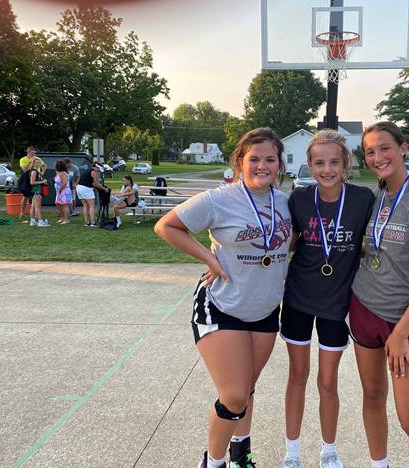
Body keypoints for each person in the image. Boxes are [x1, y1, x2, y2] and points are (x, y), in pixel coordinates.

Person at [154, 128, 292, 468]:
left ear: (279, 164)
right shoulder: (219, 198)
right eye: (254, 159)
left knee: (246, 390)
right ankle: (213, 463)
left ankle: (240, 456)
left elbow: (296, 242)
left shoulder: (286, 202)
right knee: (233, 396)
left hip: (264, 309)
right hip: (221, 305)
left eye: (270, 159)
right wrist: (209, 258)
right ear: (240, 162)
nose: (262, 165)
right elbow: (167, 226)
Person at [349, 122, 409, 468]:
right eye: (371, 151)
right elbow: (371, 248)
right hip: (363, 309)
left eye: (385, 148)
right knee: (373, 396)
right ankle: (380, 464)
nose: (378, 157)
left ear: (403, 148)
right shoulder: (372, 195)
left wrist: (402, 331)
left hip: (404, 322)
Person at [281, 130, 374, 468]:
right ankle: (292, 453)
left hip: (337, 304)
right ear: (310, 165)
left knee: (328, 381)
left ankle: (328, 452)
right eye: (319, 163)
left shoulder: (363, 199)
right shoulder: (299, 199)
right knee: (297, 375)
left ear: (346, 164)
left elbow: (374, 241)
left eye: (335, 162)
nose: (327, 169)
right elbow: (286, 242)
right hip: (298, 299)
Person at [76, 163, 109, 227]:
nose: (99, 171)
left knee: (85, 205)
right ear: (95, 167)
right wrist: (104, 189)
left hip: (79, 187)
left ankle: (87, 222)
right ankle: (92, 222)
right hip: (86, 189)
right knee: (92, 206)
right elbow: (96, 184)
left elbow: (93, 183)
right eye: (99, 169)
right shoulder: (95, 172)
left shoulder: (88, 170)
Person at [18, 147, 45, 220]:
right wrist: (30, 161)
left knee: (35, 196)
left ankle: (35, 214)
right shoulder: (23, 159)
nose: (34, 154)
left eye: (35, 153)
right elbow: (24, 169)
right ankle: (22, 212)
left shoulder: (37, 158)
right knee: (25, 196)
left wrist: (41, 173)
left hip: (35, 176)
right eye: (33, 152)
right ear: (28, 152)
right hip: (26, 179)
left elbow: (43, 166)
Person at [29, 158, 50, 227]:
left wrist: (42, 165)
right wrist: (42, 182)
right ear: (33, 164)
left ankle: (33, 221)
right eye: (37, 163)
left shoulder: (37, 171)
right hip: (36, 191)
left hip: (35, 191)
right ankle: (40, 222)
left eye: (39, 162)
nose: (38, 164)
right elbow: (32, 182)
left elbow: (44, 166)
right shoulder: (34, 172)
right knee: (37, 207)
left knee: (33, 206)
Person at [53, 159, 72, 224]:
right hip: (59, 191)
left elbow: (64, 183)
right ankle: (62, 218)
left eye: (55, 165)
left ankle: (66, 219)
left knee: (64, 205)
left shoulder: (62, 174)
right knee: (59, 204)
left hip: (64, 192)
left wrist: (60, 190)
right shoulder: (59, 173)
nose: (54, 166)